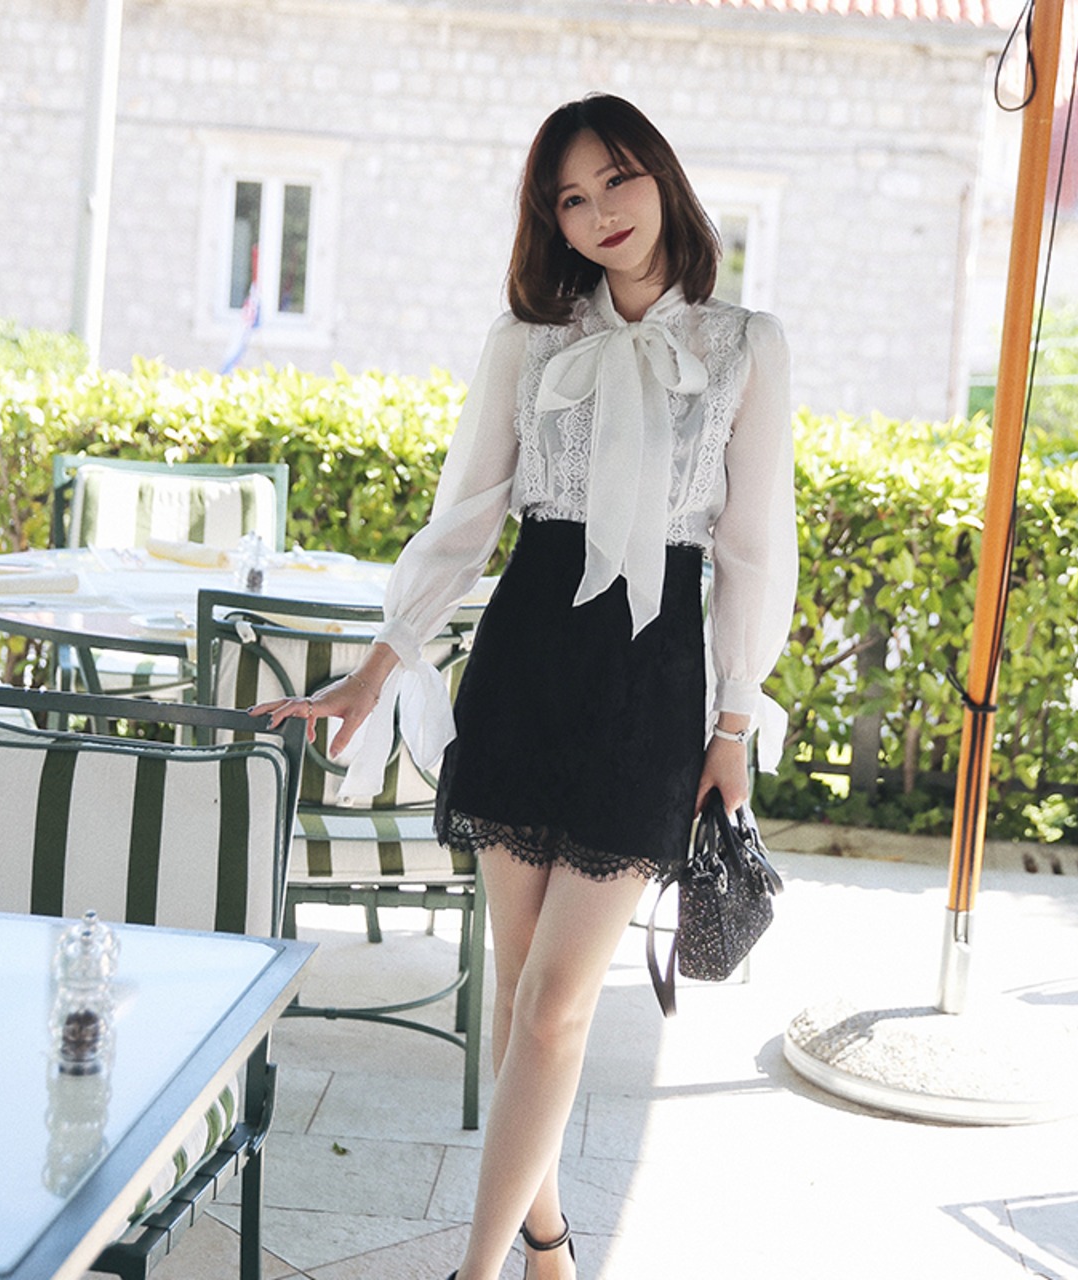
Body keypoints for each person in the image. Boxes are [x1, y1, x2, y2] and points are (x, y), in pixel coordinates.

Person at [254, 92, 797, 1280]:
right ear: (552, 221)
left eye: (618, 179)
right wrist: (377, 665)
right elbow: (463, 520)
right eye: (571, 198)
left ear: (662, 178)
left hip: (653, 680)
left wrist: (733, 721)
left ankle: (476, 1268)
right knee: (521, 993)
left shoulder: (745, 344)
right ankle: (543, 1241)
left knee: (555, 1002)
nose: (600, 212)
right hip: (526, 664)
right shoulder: (527, 342)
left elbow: (754, 548)